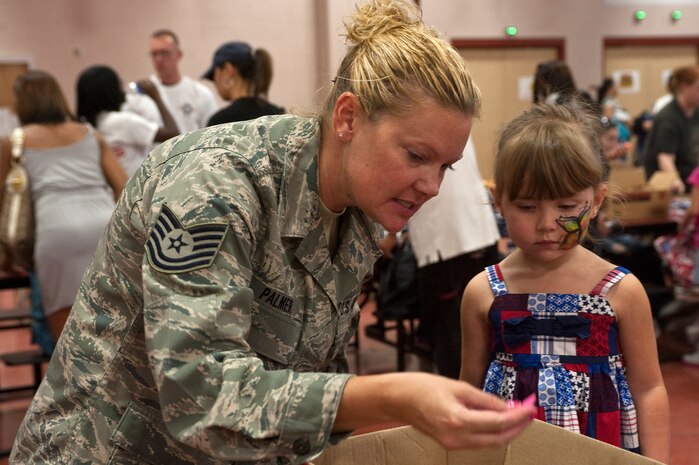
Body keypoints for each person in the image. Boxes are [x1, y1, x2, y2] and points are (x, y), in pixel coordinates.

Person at [9, 1, 536, 464]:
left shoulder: (355, 217)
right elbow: (200, 393)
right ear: (348, 118)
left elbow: (309, 371)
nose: (432, 186)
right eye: (417, 156)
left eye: (445, 166)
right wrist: (392, 397)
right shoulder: (215, 185)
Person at [459, 103, 670, 463]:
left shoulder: (620, 291)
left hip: (600, 450)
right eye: (527, 207)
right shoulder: (485, 292)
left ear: (597, 200)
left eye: (568, 206)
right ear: (499, 203)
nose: (546, 224)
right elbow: (469, 387)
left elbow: (649, 388)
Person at [0, 70, 127, 347]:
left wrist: (7, 257)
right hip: (102, 225)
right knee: (110, 321)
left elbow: (3, 200)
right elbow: (122, 184)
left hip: (55, 228)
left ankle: (74, 387)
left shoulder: (15, 140)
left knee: (67, 339)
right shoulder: (91, 134)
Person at [408, 138, 500, 379]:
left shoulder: (418, 122)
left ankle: (455, 396)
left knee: (451, 329)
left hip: (445, 238)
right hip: (474, 229)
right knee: (476, 324)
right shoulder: (454, 118)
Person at [76, 65, 179, 177]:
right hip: (137, 190)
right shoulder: (120, 122)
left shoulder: (84, 127)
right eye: (118, 86)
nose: (123, 91)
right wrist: (157, 98)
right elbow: (173, 134)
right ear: (109, 92)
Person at [147, 29, 219, 132]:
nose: (159, 59)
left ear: (178, 55)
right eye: (154, 54)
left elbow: (213, 133)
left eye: (164, 53)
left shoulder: (200, 93)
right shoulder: (141, 93)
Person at [643, 65, 699, 194]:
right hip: (670, 184)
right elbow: (665, 158)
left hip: (691, 176)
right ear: (684, 87)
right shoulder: (668, 118)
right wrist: (675, 181)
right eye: (698, 89)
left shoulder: (695, 112)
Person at [202, 41, 285, 126]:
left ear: (228, 70)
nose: (215, 82)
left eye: (214, 75)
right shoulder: (278, 115)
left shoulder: (220, 122)